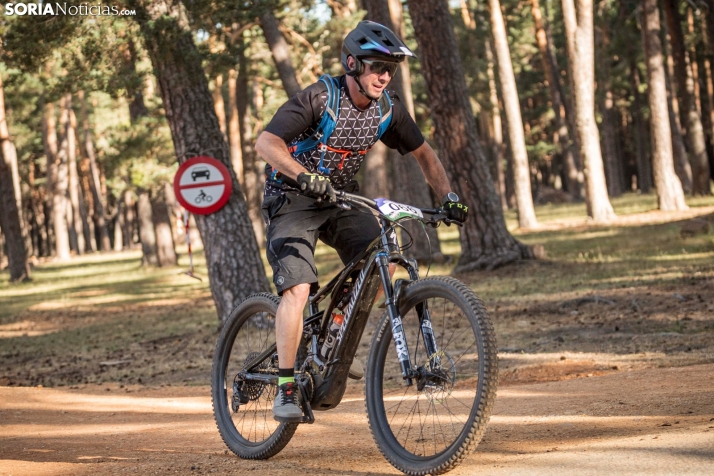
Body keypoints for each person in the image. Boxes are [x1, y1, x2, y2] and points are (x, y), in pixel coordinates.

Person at [254, 20, 469, 422]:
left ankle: (335, 333)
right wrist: (301, 175)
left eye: (391, 69)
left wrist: (449, 198)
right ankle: (285, 386)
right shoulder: (320, 98)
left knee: (383, 257)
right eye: (376, 67)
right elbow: (266, 142)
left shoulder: (387, 109)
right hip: (291, 198)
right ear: (352, 63)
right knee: (298, 290)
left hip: (339, 199)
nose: (384, 76)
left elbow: (425, 153)